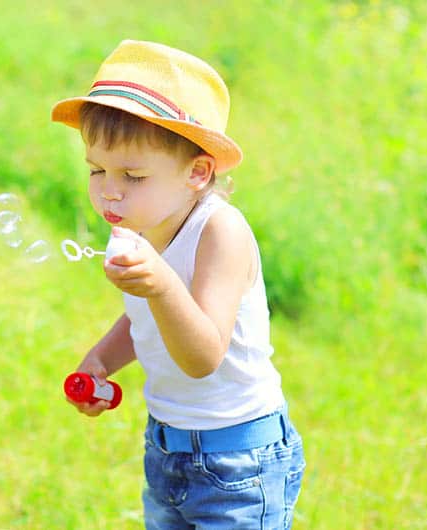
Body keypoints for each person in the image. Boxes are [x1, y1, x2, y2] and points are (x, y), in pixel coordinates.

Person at [51, 39, 305, 530]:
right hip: (168, 449)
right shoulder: (141, 221)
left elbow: (202, 357)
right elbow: (141, 315)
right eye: (97, 169)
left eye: (133, 175)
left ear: (197, 172)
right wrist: (100, 362)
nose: (110, 189)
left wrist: (161, 285)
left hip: (238, 461)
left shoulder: (220, 233)